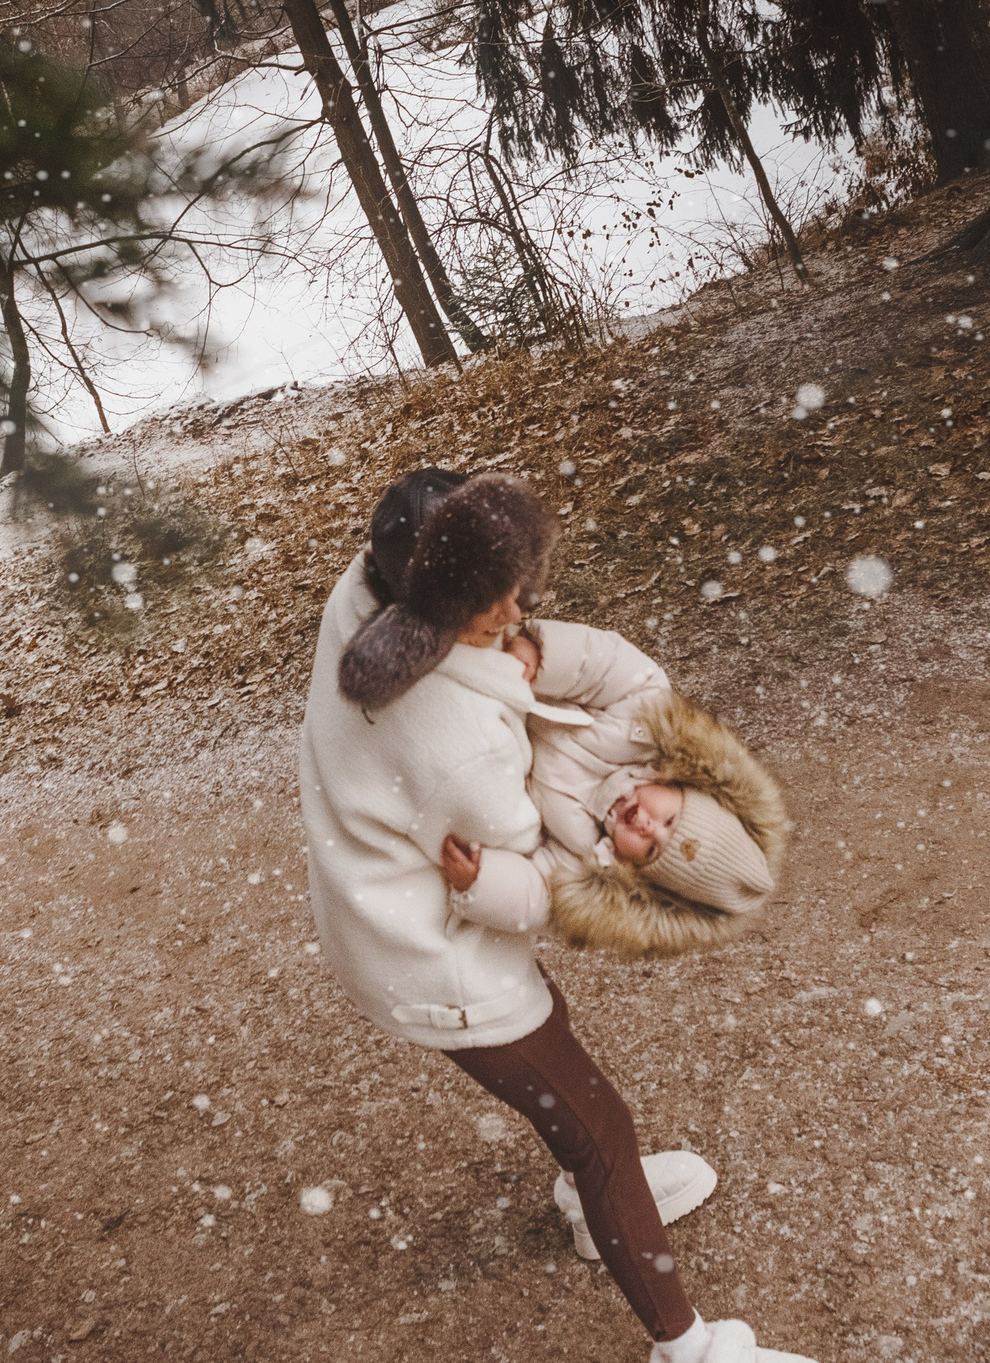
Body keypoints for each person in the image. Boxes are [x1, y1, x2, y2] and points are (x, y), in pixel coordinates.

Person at [299, 468, 807, 1363]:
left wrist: (526, 653)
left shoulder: (376, 580)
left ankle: (590, 1188)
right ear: (426, 611)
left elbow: (545, 879)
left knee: (552, 1033)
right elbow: (525, 857)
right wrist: (548, 669)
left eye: (517, 600)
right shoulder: (463, 754)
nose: (513, 619)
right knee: (602, 1126)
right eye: (493, 609)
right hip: (434, 951)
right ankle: (685, 1342)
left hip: (402, 897)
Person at [438, 619, 781, 949]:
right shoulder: (644, 725)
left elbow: (539, 895)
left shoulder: (584, 852)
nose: (648, 827)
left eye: (652, 850)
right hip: (513, 674)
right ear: (682, 787)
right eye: (670, 820)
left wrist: (481, 883)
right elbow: (605, 666)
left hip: (482, 739)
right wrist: (542, 660)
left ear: (633, 868)